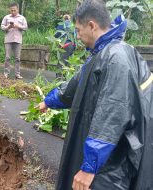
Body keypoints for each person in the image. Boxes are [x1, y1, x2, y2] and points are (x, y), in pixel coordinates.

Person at [38, 0, 153, 189]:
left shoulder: (117, 57)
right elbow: (77, 84)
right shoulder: (102, 52)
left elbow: (112, 113)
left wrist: (89, 167)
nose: (77, 36)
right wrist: (49, 101)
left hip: (114, 158)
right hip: (106, 152)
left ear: (91, 25)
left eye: (78, 30)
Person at [1, 2, 28, 79]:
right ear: (10, 10)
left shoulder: (22, 18)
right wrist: (8, 27)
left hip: (18, 40)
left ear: (17, 9)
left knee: (17, 58)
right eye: (11, 10)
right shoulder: (6, 17)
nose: (13, 12)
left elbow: (25, 27)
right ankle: (6, 73)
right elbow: (2, 27)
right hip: (8, 40)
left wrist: (17, 26)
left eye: (14, 10)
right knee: (7, 57)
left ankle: (17, 74)